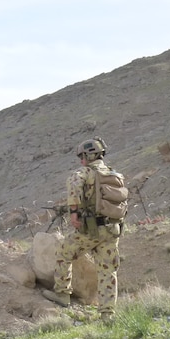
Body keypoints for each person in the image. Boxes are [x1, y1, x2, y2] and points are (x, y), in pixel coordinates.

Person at [42, 137, 122, 321]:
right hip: (112, 229)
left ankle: (62, 293)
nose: (81, 160)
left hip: (91, 229)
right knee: (108, 270)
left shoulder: (84, 173)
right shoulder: (114, 173)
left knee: (64, 251)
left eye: (82, 156)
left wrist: (74, 213)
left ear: (88, 155)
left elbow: (74, 185)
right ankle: (107, 314)